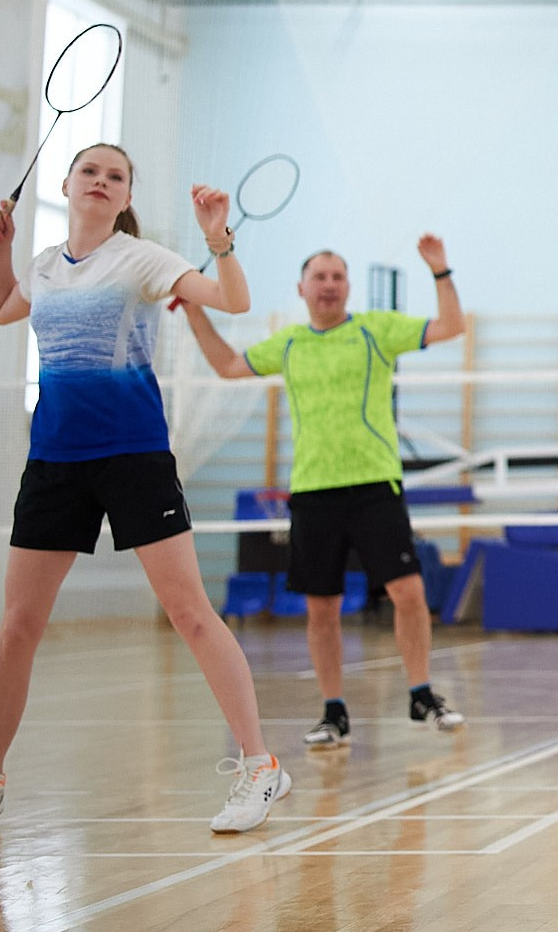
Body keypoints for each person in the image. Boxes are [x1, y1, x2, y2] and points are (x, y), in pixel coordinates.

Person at [0, 144, 288, 837]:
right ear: (67, 185)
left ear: (125, 194)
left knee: (190, 612)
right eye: (90, 172)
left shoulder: (142, 258)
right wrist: (0, 250)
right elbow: (3, 309)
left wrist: (218, 238)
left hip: (133, 456)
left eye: (116, 176)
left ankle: (260, 766)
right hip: (54, 461)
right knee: (17, 626)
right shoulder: (44, 267)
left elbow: (234, 299)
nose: (101, 182)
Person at [180, 239, 467, 747]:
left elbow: (450, 327)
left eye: (338, 276)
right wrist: (195, 310)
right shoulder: (289, 343)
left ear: (348, 286)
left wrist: (440, 272)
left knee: (410, 592)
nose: (329, 285)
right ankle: (333, 711)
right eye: (320, 277)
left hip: (375, 484)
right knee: (321, 607)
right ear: (302, 288)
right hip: (313, 492)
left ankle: (421, 692)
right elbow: (227, 365)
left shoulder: (376, 331)